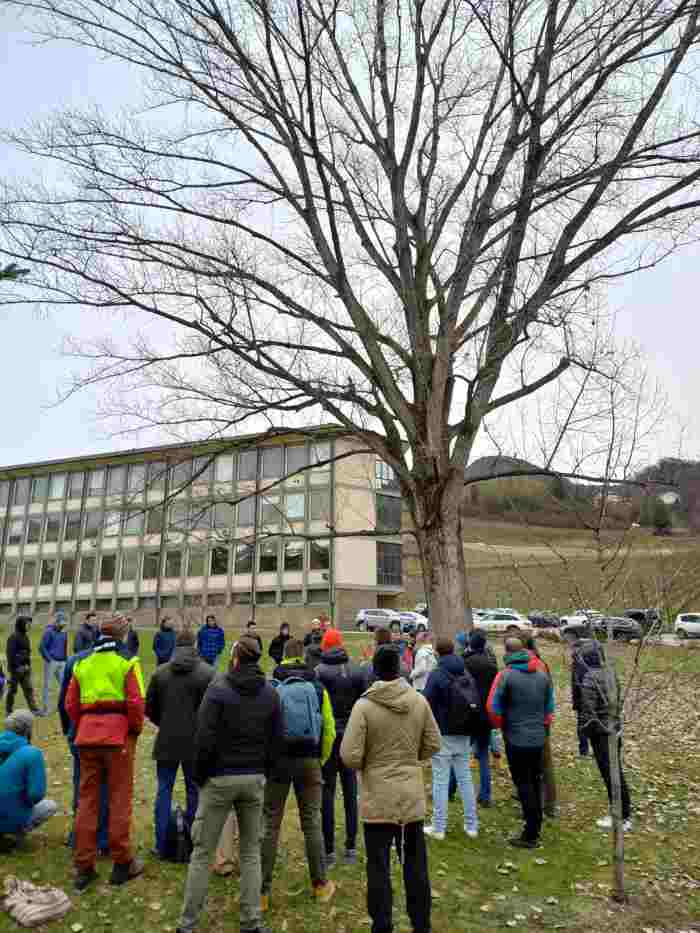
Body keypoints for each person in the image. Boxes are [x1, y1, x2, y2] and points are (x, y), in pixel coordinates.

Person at [177, 636, 282, 933]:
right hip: (251, 779)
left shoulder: (219, 690)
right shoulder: (268, 693)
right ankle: (251, 921)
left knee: (203, 852)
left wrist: (201, 777)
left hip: (222, 778)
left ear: (235, 658)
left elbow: (203, 738)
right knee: (250, 852)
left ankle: (187, 924)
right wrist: (265, 772)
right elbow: (278, 740)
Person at [341, 645, 441, 933]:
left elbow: (349, 755)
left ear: (374, 670)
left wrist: (370, 764)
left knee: (378, 866)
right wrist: (410, 759)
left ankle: (382, 924)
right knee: (415, 866)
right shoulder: (418, 701)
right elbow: (433, 743)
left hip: (378, 799)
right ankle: (421, 923)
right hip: (409, 798)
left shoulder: (364, 706)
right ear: (399, 668)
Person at [66, 615, 146, 890]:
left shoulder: (82, 664)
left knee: (87, 801)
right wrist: (133, 731)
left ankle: (84, 866)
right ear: (122, 636)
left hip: (87, 737)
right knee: (119, 799)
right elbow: (136, 704)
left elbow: (70, 704)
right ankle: (122, 862)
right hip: (118, 738)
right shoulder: (128, 663)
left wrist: (85, 725)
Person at [261, 638, 336, 910]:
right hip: (309, 759)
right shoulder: (317, 687)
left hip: (279, 761)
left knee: (269, 824)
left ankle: (262, 892)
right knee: (312, 822)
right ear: (303, 656)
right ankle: (320, 885)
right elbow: (328, 729)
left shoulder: (272, 686)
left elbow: (264, 728)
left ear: (282, 657)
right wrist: (320, 758)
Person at [146, 627, 215, 859]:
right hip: (194, 741)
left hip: (167, 739)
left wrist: (165, 723)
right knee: (194, 791)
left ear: (176, 645)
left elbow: (151, 709)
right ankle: (195, 840)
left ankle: (161, 842)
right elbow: (212, 711)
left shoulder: (160, 673)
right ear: (195, 644)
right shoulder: (207, 673)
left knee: (164, 791)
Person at [487, 637, 555, 848]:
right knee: (534, 780)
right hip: (537, 737)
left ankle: (531, 833)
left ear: (506, 653)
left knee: (524, 783)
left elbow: (492, 708)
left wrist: (503, 725)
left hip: (516, 738)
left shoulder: (505, 676)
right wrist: (541, 726)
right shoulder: (542, 676)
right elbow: (549, 709)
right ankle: (536, 824)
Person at [315, 628, 366, 867]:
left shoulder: (320, 672)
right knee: (349, 791)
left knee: (327, 792)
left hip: (330, 735)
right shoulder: (356, 670)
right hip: (351, 736)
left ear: (326, 646)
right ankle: (351, 846)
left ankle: (328, 851)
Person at [59, 639, 113, 855]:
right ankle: (101, 839)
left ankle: (79, 836)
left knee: (82, 785)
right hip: (107, 734)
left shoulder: (75, 661)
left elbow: (65, 701)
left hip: (79, 731)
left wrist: (69, 728)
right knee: (105, 786)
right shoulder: (119, 661)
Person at [423, 638, 479, 840]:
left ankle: (439, 827)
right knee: (465, 779)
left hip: (443, 733)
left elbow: (425, 702)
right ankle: (471, 825)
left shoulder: (437, 674)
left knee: (440, 781)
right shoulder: (465, 672)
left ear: (437, 653)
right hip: (464, 732)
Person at [578, 641, 633, 831]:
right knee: (615, 771)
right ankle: (622, 812)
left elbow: (588, 711)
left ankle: (621, 816)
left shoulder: (589, 679)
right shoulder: (610, 673)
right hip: (614, 728)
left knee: (610, 774)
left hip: (602, 733)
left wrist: (585, 730)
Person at [0, 710, 58, 848]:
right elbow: (36, 794)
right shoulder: (32, 753)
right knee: (50, 806)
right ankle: (12, 833)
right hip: (11, 816)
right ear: (28, 730)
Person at [463, 629, 499, 807]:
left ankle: (450, 789)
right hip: (486, 714)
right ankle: (485, 795)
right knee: (483, 756)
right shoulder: (491, 664)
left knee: (460, 752)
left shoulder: (466, 662)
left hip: (470, 714)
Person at [525, 636, 557, 818]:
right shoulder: (539, 662)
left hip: (538, 720)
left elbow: (544, 694)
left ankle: (548, 804)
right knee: (538, 762)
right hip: (539, 719)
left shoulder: (537, 665)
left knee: (543, 762)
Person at [571, 636, 600, 758]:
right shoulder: (595, 660)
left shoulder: (580, 663)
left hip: (585, 699)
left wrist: (577, 701)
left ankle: (585, 751)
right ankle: (590, 750)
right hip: (593, 698)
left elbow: (577, 684)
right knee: (593, 723)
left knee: (583, 725)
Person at [6, 615, 39, 716]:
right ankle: (9, 710)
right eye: (27, 624)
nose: (29, 626)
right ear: (21, 624)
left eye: (30, 624)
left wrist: (27, 665)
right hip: (15, 670)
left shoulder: (26, 637)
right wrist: (17, 667)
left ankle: (34, 710)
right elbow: (10, 654)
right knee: (13, 690)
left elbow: (27, 653)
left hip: (25, 669)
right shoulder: (13, 637)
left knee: (29, 689)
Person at [39, 610, 68, 715]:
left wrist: (65, 659)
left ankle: (63, 707)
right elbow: (42, 647)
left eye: (65, 622)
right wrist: (49, 659)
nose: (63, 624)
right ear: (57, 621)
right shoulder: (48, 632)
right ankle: (46, 709)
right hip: (51, 662)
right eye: (61, 622)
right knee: (48, 686)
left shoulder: (64, 633)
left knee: (64, 685)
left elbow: (64, 647)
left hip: (62, 663)